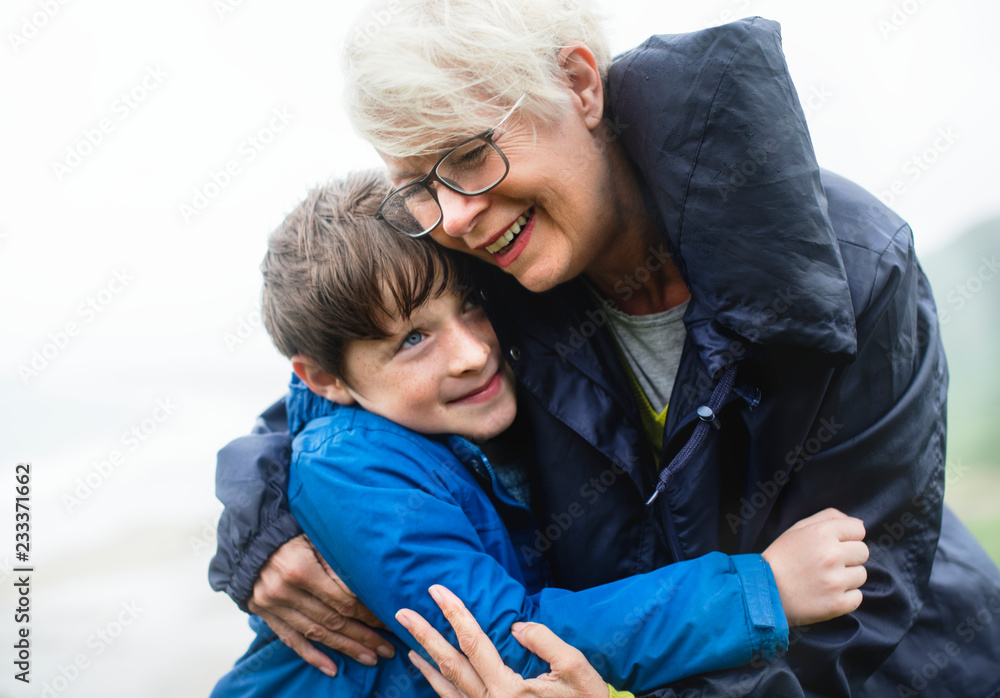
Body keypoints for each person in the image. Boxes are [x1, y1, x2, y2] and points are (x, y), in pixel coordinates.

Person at [211, 2, 1000, 695]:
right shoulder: (483, 257)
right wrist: (265, 526)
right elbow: (339, 383)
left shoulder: (855, 269)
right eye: (421, 181)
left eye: (469, 153)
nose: (453, 216)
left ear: (581, 85)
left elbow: (858, 606)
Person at [210, 170, 870, 697]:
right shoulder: (351, 471)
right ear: (323, 377)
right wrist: (759, 590)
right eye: (413, 339)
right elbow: (501, 645)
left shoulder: (437, 424)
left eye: (470, 305)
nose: (470, 352)